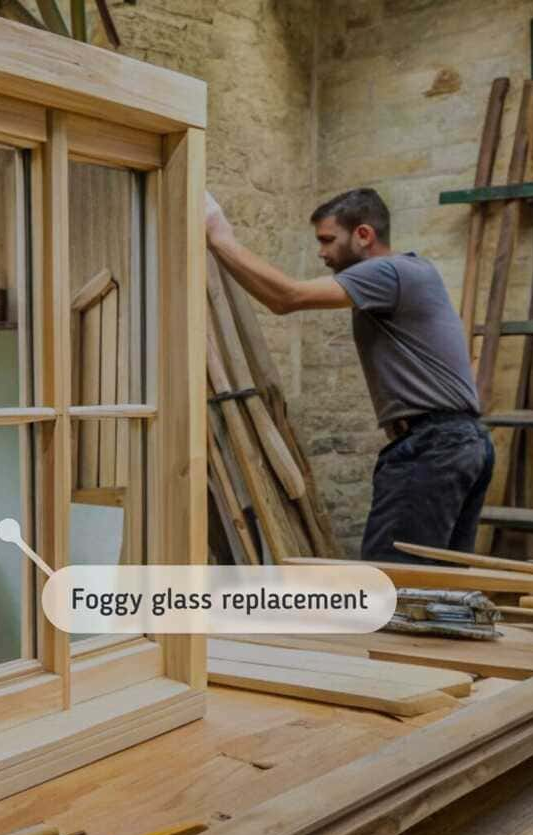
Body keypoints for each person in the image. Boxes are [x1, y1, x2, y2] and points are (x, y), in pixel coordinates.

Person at [205, 187, 493, 561]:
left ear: (363, 235)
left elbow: (286, 298)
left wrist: (218, 236)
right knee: (440, 589)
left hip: (435, 446)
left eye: (327, 239)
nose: (321, 252)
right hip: (460, 442)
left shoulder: (389, 271)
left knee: (392, 581)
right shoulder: (410, 272)